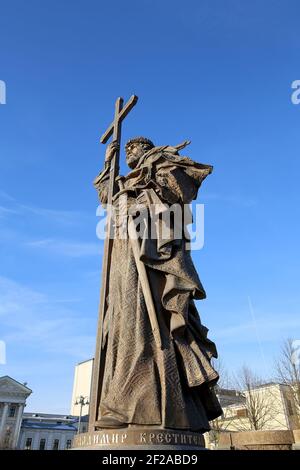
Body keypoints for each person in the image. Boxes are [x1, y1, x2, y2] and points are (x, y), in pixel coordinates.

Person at [93, 137, 222, 431]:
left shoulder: (158, 164)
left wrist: (140, 200)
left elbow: (178, 194)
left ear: (147, 149)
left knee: (145, 323)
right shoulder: (124, 179)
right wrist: (107, 164)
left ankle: (144, 405)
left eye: (133, 147)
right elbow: (106, 196)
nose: (128, 150)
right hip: (124, 256)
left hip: (152, 258)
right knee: (121, 322)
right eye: (125, 148)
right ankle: (120, 400)